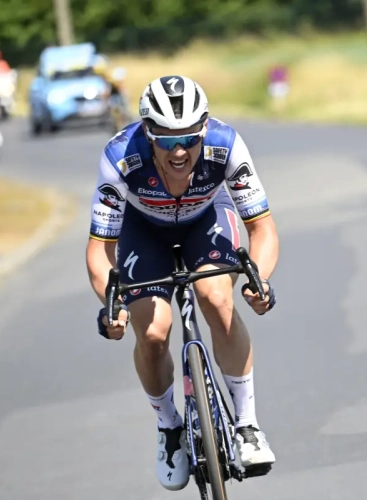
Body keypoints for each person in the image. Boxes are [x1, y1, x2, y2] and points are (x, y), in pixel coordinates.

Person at [85, 75, 279, 491]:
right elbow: (100, 249)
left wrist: (259, 281)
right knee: (153, 333)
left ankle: (247, 424)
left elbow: (262, 229)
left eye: (189, 139)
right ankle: (168, 426)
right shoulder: (121, 155)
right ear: (146, 131)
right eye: (165, 138)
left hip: (205, 219)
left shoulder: (226, 145)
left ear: (204, 129)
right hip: (143, 230)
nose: (178, 151)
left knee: (216, 298)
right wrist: (110, 305)